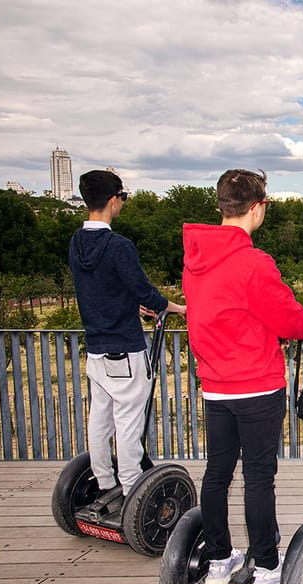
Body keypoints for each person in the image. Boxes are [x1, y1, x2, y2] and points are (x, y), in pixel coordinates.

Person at [182, 169, 303, 584]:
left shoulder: (194, 260)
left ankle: (219, 562)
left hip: (215, 386)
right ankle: (265, 569)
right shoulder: (254, 263)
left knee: (217, 473)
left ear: (222, 205)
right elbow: (287, 318)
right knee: (259, 477)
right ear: (258, 207)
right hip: (257, 385)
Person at [69, 170, 186, 504]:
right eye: (123, 197)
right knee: (129, 421)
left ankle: (104, 481)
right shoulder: (119, 246)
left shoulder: (77, 242)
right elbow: (144, 291)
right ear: (113, 200)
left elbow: (98, 290)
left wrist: (129, 306)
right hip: (125, 349)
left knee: (100, 418)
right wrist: (176, 307)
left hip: (96, 349)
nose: (123, 202)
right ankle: (133, 486)